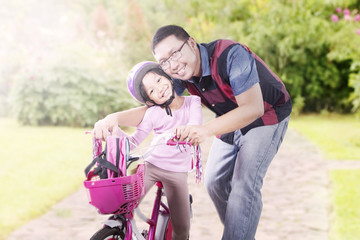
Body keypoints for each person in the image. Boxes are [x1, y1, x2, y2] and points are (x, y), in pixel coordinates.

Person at [94, 25, 292, 240]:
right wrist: (114, 118)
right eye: (164, 62)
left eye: (175, 53)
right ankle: (241, 231)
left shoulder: (231, 55)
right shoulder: (178, 73)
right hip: (229, 114)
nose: (173, 65)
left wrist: (204, 130)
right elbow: (157, 106)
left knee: (243, 186)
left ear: (190, 43)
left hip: (267, 113)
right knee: (214, 182)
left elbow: (253, 109)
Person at [112, 61, 202, 240]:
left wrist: (187, 130)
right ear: (150, 101)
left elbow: (195, 124)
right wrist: (115, 131)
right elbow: (135, 141)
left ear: (168, 77)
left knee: (182, 228)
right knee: (123, 208)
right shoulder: (153, 113)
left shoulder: (193, 102)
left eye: (159, 80)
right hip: (152, 167)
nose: (159, 89)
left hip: (177, 172)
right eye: (152, 91)